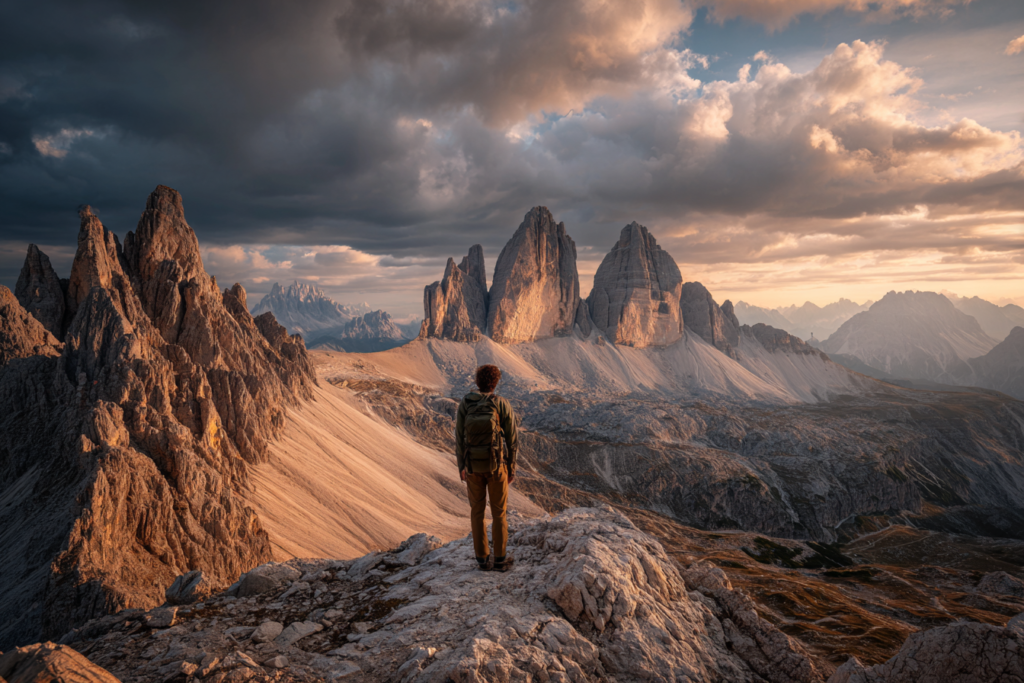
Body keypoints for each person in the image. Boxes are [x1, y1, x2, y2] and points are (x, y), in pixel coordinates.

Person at [455, 364, 518, 572]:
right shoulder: (501, 403)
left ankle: (482, 559)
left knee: (477, 512)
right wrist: (511, 468)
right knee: (499, 513)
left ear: (477, 381)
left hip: (473, 467)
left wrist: (462, 466)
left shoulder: (466, 402)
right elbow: (512, 440)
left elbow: (459, 438)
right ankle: (500, 559)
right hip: (496, 467)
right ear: (496, 383)